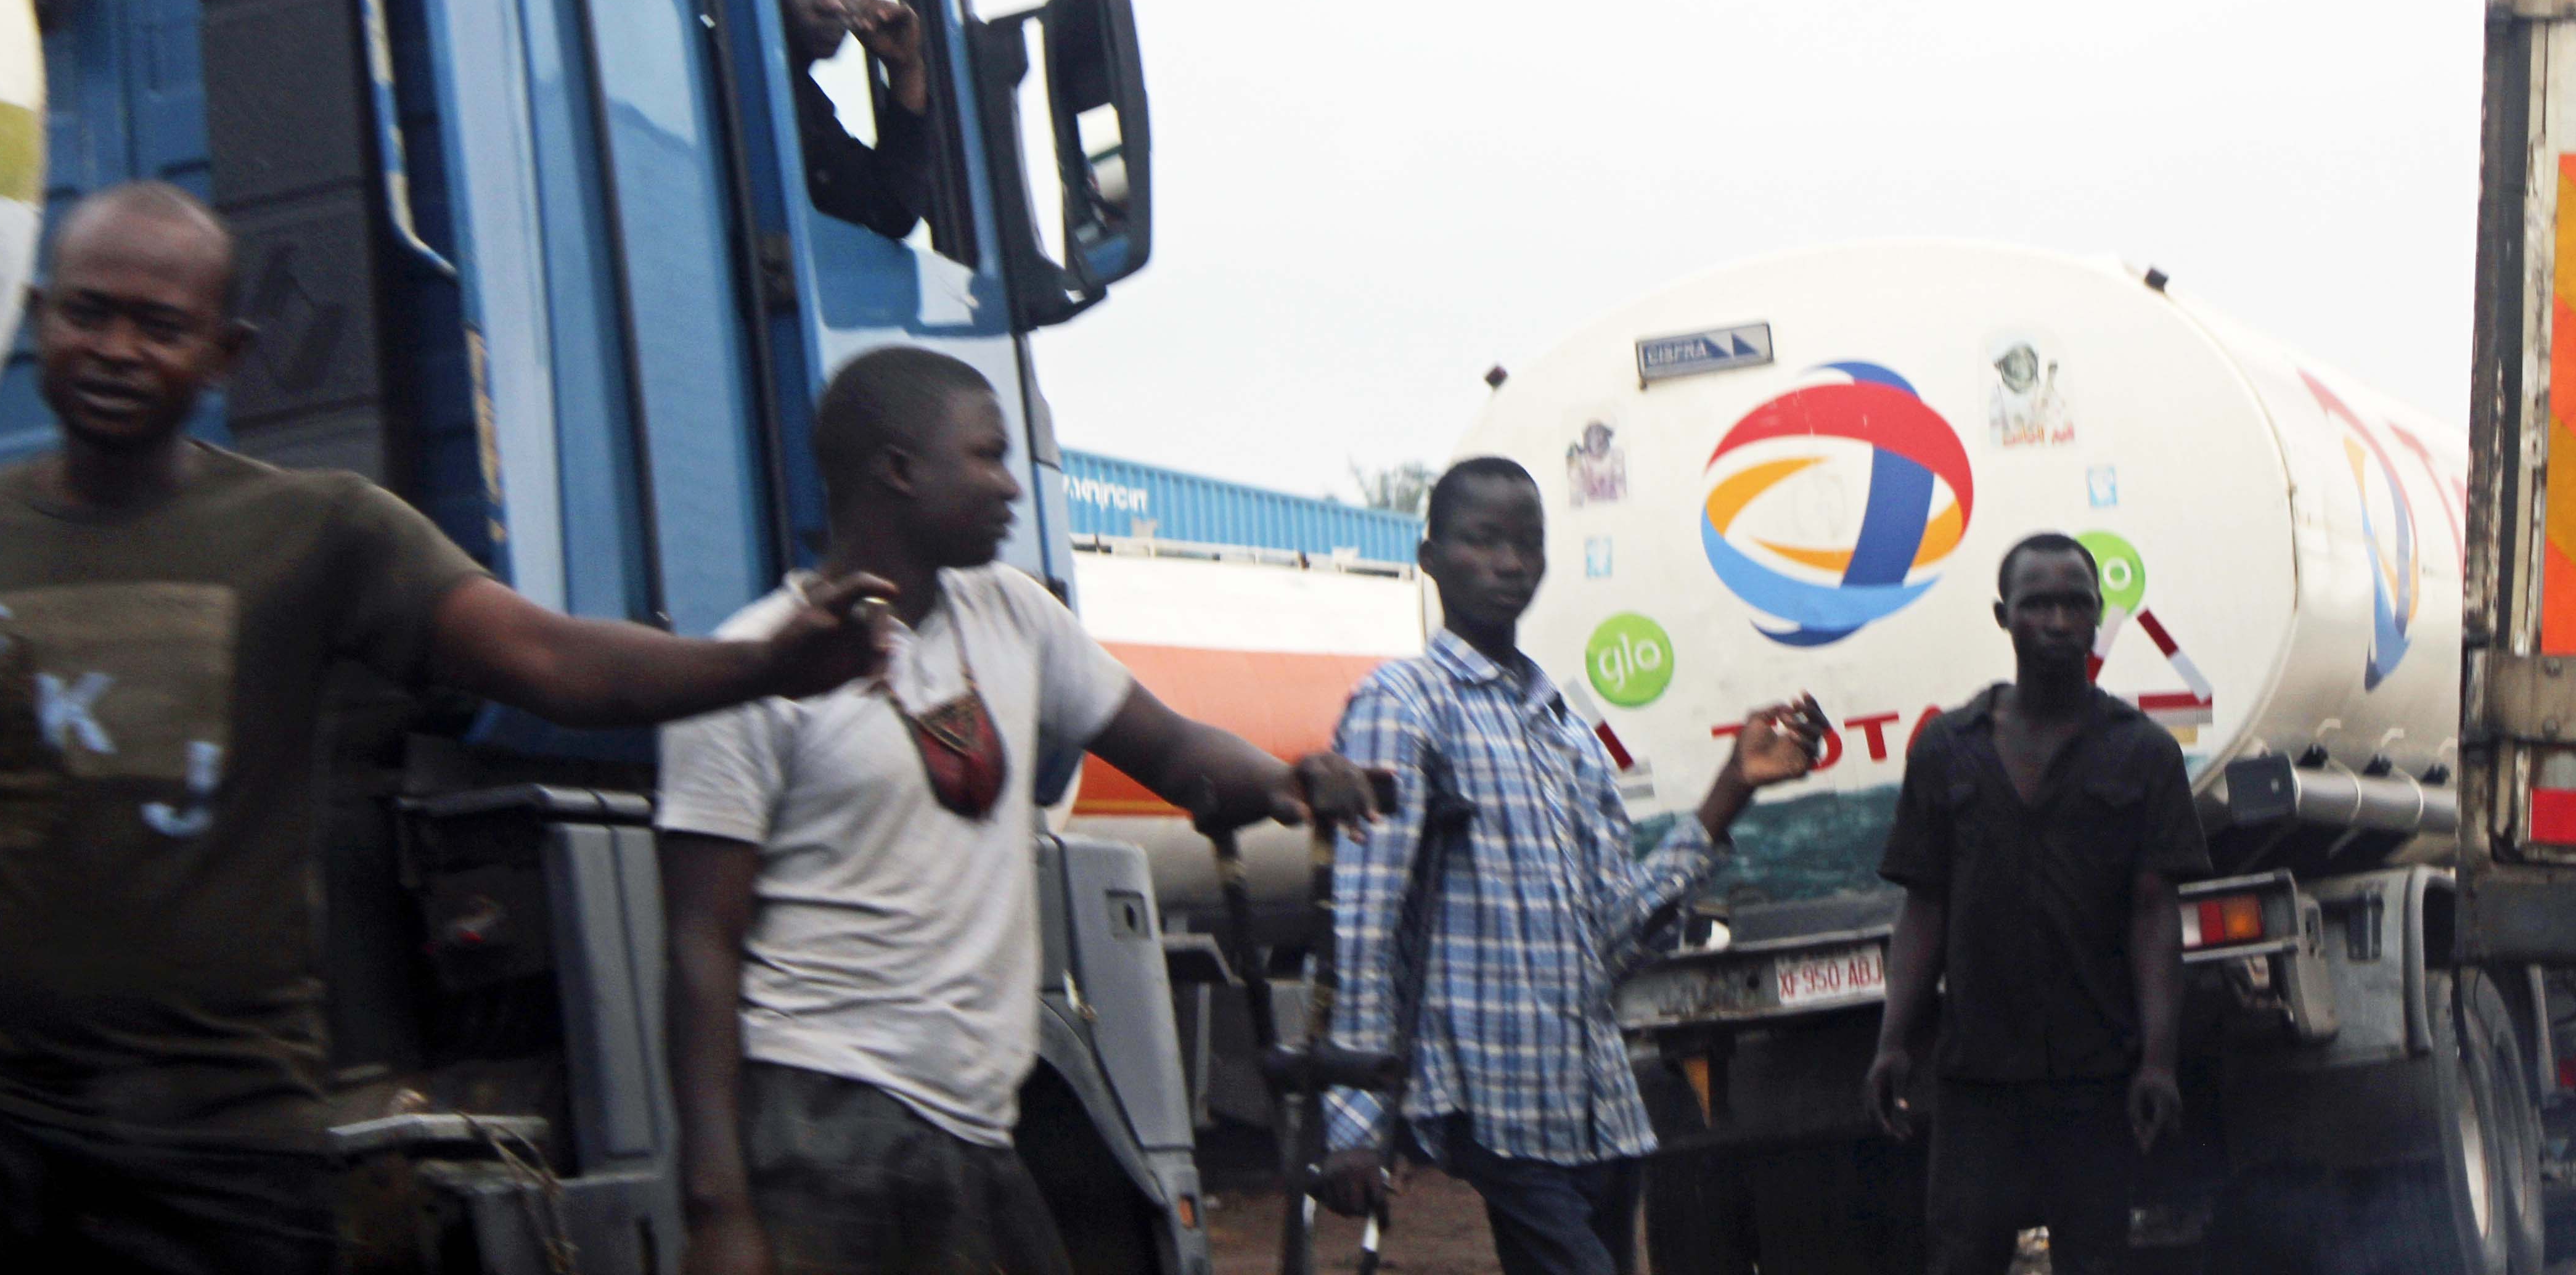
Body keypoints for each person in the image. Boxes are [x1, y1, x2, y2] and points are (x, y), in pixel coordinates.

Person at [0, 182, 894, 1274]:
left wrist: (760, 663)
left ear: (227, 352)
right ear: (36, 317)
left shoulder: (315, 531)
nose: (116, 347)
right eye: (87, 312)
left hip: (219, 1140)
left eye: (161, 325)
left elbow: (549, 660)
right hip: (2, 1127)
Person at [660, 345, 1380, 1275]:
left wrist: (1285, 781)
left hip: (973, 1123)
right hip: (821, 1122)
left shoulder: (1013, 617)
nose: (1011, 485)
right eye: (988, 456)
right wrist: (716, 1208)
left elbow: (1167, 746)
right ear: (901, 471)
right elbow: (698, 951)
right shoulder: (753, 668)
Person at [1315, 455, 1822, 1275]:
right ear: (1431, 557)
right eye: (1483, 542)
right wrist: (1353, 1117)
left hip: (1597, 1107)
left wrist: (1734, 787)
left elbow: (1614, 936)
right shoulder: (1405, 706)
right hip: (1494, 1103)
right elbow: (1364, 923)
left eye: (1528, 544)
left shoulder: (1565, 731)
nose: (1510, 564)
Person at [1865, 532, 2210, 1275]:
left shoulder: (2143, 754)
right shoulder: (1946, 752)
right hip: (1975, 1083)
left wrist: (2158, 1060)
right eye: (2037, 605)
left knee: (2096, 1260)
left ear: (2097, 618)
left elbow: (2156, 915)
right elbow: (1924, 909)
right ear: (2003, 617)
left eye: (2075, 605)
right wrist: (1895, 1041)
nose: (2057, 622)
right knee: (1960, 1259)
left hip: (2094, 1079)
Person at [770, 0, 934, 240]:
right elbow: (892, 209)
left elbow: (890, 207)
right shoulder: (744, 79)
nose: (832, 3)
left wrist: (905, 68)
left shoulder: (797, 93)